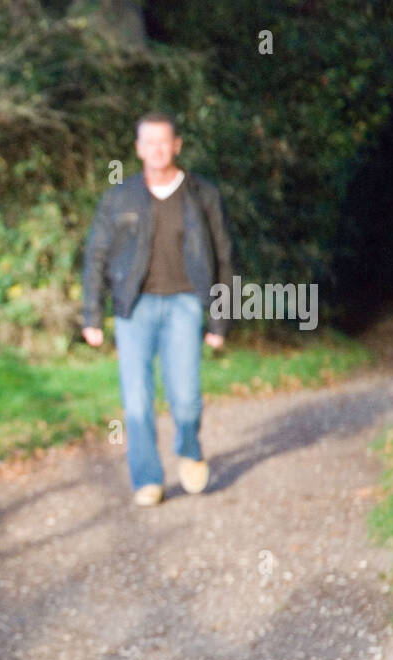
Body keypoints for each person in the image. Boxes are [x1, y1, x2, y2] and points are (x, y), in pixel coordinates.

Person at [81, 112, 235, 505]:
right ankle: (147, 479)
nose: (157, 149)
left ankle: (189, 450)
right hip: (135, 308)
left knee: (185, 396)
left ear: (177, 145)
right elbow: (97, 255)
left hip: (185, 304)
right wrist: (92, 315)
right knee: (136, 399)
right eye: (148, 142)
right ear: (137, 149)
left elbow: (223, 258)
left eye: (164, 141)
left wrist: (219, 320)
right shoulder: (119, 196)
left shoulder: (203, 195)